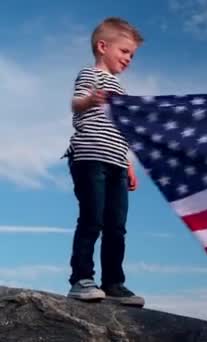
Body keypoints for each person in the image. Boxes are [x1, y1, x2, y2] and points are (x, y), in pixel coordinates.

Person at [63, 17, 144, 307]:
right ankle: (81, 279)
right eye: (124, 52)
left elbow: (122, 130)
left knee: (116, 225)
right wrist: (90, 101)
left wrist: (129, 164)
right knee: (92, 219)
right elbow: (75, 103)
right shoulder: (90, 75)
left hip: (117, 165)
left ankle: (113, 283)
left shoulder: (121, 90)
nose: (128, 59)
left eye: (131, 55)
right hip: (89, 159)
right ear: (102, 46)